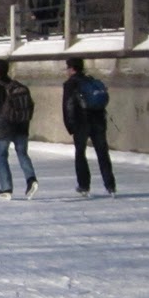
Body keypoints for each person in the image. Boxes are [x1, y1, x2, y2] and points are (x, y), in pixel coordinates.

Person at [0, 60, 39, 199]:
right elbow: (30, 106)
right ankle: (31, 179)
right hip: (21, 126)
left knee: (2, 156)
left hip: (4, 128)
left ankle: (6, 188)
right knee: (23, 153)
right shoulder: (18, 86)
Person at [62, 57, 115, 197]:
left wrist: (70, 125)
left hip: (81, 122)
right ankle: (110, 185)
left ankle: (84, 185)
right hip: (98, 120)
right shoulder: (91, 80)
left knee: (80, 153)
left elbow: (68, 106)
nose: (67, 71)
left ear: (72, 68)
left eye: (67, 68)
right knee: (102, 153)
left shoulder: (70, 84)